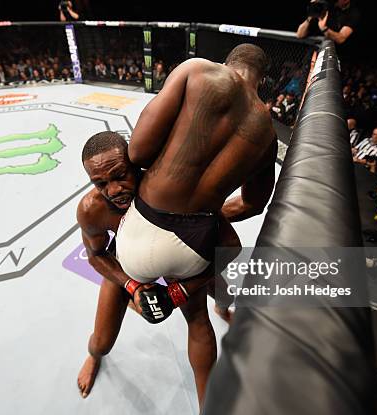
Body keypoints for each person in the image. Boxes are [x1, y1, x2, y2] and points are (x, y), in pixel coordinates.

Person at [115, 43, 277, 403]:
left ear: (228, 61)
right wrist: (206, 214)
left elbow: (138, 151)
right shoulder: (268, 132)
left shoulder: (198, 71)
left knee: (111, 268)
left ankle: (105, 337)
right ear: (262, 80)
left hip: (142, 229)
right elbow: (254, 203)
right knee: (199, 321)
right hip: (197, 245)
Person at [75, 131, 239, 401]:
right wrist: (133, 285)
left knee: (216, 302)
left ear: (135, 166)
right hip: (128, 263)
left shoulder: (169, 188)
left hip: (181, 256)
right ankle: (93, 357)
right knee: (102, 342)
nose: (113, 189)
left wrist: (179, 292)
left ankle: (207, 406)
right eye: (101, 183)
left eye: (119, 176)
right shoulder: (92, 209)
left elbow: (230, 247)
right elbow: (96, 255)